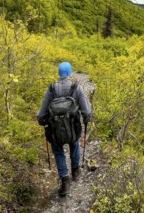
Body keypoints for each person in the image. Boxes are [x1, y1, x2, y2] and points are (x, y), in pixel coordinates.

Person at [37, 62, 91, 197]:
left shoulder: (50, 89)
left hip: (56, 130)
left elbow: (41, 113)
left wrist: (42, 121)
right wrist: (86, 118)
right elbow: (86, 110)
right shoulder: (76, 88)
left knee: (58, 151)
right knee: (74, 144)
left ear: (59, 73)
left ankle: (64, 179)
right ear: (70, 73)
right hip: (72, 128)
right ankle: (76, 170)